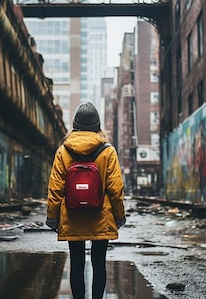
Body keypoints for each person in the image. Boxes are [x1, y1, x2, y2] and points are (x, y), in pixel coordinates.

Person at [46, 102, 126, 299]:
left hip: (72, 216)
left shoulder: (63, 151)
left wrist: (52, 218)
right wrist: (119, 216)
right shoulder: (108, 151)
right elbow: (115, 188)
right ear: (98, 126)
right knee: (99, 264)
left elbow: (56, 188)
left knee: (77, 264)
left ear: (74, 126)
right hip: (101, 214)